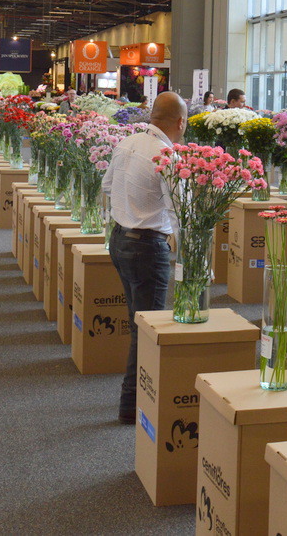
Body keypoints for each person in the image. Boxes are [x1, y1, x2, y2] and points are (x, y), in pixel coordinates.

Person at [103, 91, 187, 425]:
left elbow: (107, 185)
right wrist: (190, 258)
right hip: (147, 248)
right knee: (147, 330)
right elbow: (179, 211)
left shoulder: (128, 142)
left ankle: (132, 399)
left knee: (136, 321)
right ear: (180, 122)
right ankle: (130, 404)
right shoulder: (166, 155)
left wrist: (131, 206)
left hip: (120, 239)